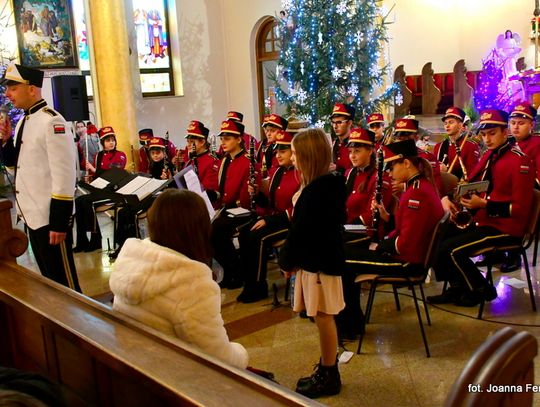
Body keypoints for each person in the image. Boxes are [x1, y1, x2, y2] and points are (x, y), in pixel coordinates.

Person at [110, 189, 249, 369]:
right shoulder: (190, 282)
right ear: (197, 229)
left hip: (137, 364)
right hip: (174, 377)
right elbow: (220, 358)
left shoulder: (133, 259)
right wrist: (242, 353)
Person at [429, 109, 535, 307]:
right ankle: (457, 287)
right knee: (437, 236)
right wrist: (454, 199)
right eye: (484, 134)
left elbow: (520, 210)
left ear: (505, 132)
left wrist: (485, 204)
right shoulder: (489, 155)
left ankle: (480, 288)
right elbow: (474, 183)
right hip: (484, 220)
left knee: (452, 250)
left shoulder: (520, 161)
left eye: (492, 133)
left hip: (505, 228)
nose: (487, 138)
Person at [278, 128, 346, 399]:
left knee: (324, 317)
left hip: (320, 263)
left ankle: (329, 374)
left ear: (308, 156)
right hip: (318, 259)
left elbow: (301, 233)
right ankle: (327, 367)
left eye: (295, 154)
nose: (292, 159)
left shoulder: (317, 191)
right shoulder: (322, 185)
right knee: (321, 316)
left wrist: (286, 261)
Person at [0, 63, 80, 291]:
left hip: (50, 219)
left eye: (13, 88)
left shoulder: (52, 122)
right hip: (33, 217)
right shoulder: (24, 121)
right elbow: (16, 165)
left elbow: (64, 177)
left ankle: (76, 326)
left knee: (66, 286)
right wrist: (5, 142)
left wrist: (59, 222)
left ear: (32, 89)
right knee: (51, 284)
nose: (7, 94)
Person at [237, 129, 300, 303]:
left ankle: (258, 286)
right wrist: (257, 194)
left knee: (259, 237)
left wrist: (268, 220)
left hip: (290, 223)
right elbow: (269, 204)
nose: (278, 155)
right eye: (277, 151)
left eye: (283, 151)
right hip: (274, 218)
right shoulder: (278, 172)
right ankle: (248, 282)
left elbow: (297, 210)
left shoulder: (300, 173)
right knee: (244, 232)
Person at [211, 119, 258, 289]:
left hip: (243, 210)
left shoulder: (247, 161)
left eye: (228, 138)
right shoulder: (225, 160)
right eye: (222, 138)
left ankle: (235, 271)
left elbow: (246, 200)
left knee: (218, 229)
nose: (223, 142)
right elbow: (221, 190)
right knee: (206, 225)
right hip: (227, 208)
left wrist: (225, 207)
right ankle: (228, 270)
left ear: (239, 139)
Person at [74, 126, 126, 252]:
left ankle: (95, 238)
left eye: (113, 140)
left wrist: (93, 169)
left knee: (86, 202)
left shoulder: (120, 155)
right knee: (79, 201)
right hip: (100, 189)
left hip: (113, 191)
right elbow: (99, 176)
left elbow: (113, 173)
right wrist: (91, 178)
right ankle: (82, 240)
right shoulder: (99, 155)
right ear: (102, 143)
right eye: (108, 140)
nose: (111, 142)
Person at [392, 117, 443, 195]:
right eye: (399, 137)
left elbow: (434, 185)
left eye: (406, 137)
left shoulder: (427, 157)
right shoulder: (391, 157)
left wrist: (405, 186)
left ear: (416, 137)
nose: (400, 140)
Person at [433, 107, 479, 180]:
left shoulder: (470, 146)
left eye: (451, 122)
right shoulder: (438, 146)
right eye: (445, 123)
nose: (447, 126)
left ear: (461, 126)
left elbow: (472, 175)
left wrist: (447, 169)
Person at [184, 120, 219, 193]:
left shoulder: (212, 161)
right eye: (188, 141)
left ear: (202, 142)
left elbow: (208, 190)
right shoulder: (190, 160)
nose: (188, 145)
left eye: (192, 141)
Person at [330, 103, 355, 175]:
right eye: (333, 122)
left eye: (339, 122)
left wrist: (337, 169)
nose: (335, 126)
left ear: (349, 123)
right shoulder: (334, 143)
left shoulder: (356, 144)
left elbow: (358, 172)